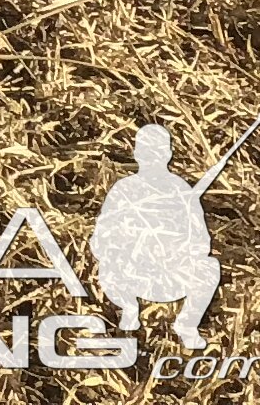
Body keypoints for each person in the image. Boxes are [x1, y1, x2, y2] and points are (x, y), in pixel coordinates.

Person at [92, 123, 223, 349]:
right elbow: (100, 240)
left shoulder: (181, 191)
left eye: (156, 152)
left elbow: (201, 243)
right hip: (132, 276)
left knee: (209, 267)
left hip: (170, 277)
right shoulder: (124, 190)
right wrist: (131, 247)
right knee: (108, 263)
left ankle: (187, 324)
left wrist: (173, 250)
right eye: (148, 152)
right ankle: (129, 308)